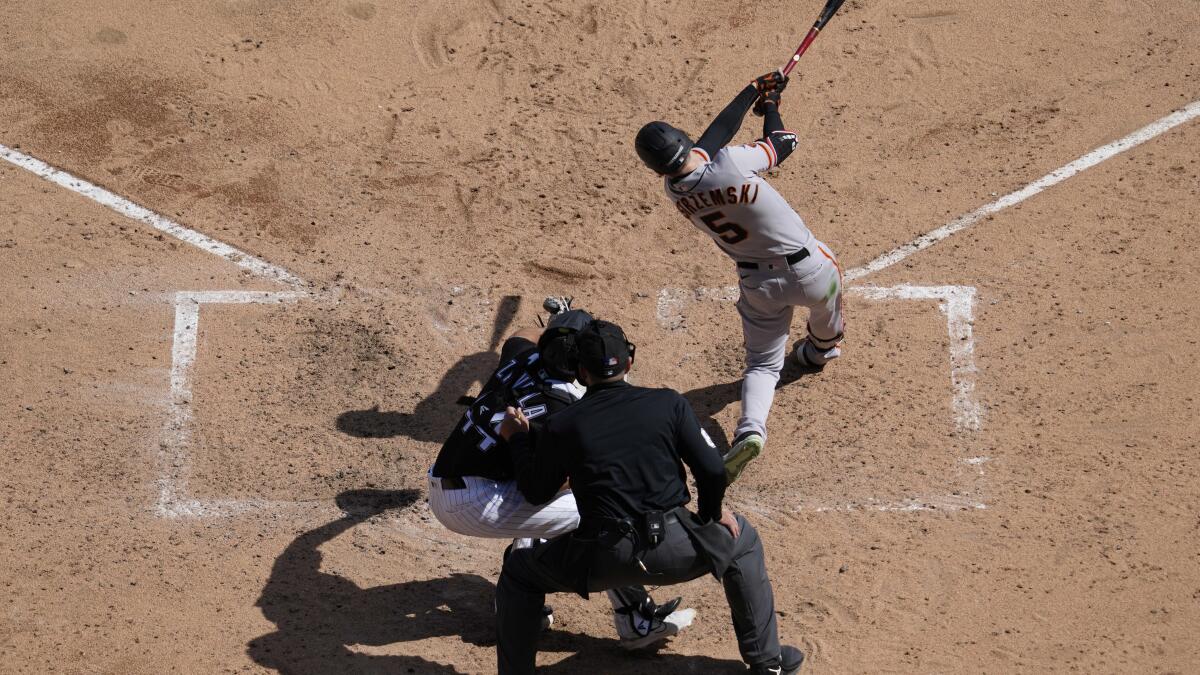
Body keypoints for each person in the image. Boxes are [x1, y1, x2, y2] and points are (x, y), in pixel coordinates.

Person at [495, 320, 804, 675]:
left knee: (519, 574)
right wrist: (710, 513)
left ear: (581, 372)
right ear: (629, 362)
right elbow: (713, 470)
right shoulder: (667, 403)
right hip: (678, 549)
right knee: (743, 541)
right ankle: (767, 664)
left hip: (599, 558)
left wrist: (517, 439)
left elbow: (535, 491)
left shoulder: (563, 424)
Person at [427, 306, 694, 648]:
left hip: (459, 479)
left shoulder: (521, 355)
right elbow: (546, 485)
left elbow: (524, 330)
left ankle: (527, 606)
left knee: (566, 498)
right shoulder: (564, 411)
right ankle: (633, 618)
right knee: (605, 510)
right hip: (474, 500)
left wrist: (560, 325)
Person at [635, 72, 845, 484]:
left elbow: (707, 143)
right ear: (683, 140)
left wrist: (751, 91)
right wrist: (770, 109)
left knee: (763, 365)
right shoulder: (729, 163)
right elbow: (783, 144)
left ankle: (750, 429)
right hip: (812, 270)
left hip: (758, 287)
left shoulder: (674, 190)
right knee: (828, 295)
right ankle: (821, 350)